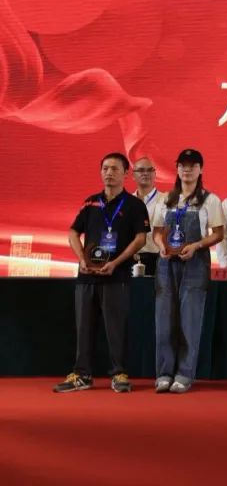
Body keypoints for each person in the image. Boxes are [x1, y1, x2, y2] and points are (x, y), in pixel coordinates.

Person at [54, 153, 150, 393]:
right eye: (105, 168)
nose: (109, 173)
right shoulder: (90, 203)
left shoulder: (135, 205)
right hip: (87, 276)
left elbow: (140, 239)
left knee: (116, 329)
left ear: (126, 173)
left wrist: (116, 262)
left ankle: (119, 374)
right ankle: (82, 374)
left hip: (116, 276)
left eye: (115, 169)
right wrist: (81, 258)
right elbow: (73, 232)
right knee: (84, 328)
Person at [151, 149, 226, 394]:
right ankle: (164, 373)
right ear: (177, 168)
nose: (187, 169)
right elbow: (157, 231)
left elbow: (218, 233)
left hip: (195, 263)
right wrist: (161, 246)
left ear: (200, 169)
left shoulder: (210, 200)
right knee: (164, 319)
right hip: (166, 264)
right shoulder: (165, 199)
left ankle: (184, 374)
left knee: (189, 320)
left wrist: (196, 245)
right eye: (183, 165)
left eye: (192, 165)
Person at [132, 156, 163, 275]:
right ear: (133, 175)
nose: (145, 173)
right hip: (130, 257)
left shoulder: (167, 200)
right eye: (141, 170)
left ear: (155, 174)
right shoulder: (125, 202)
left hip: (158, 259)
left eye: (150, 170)